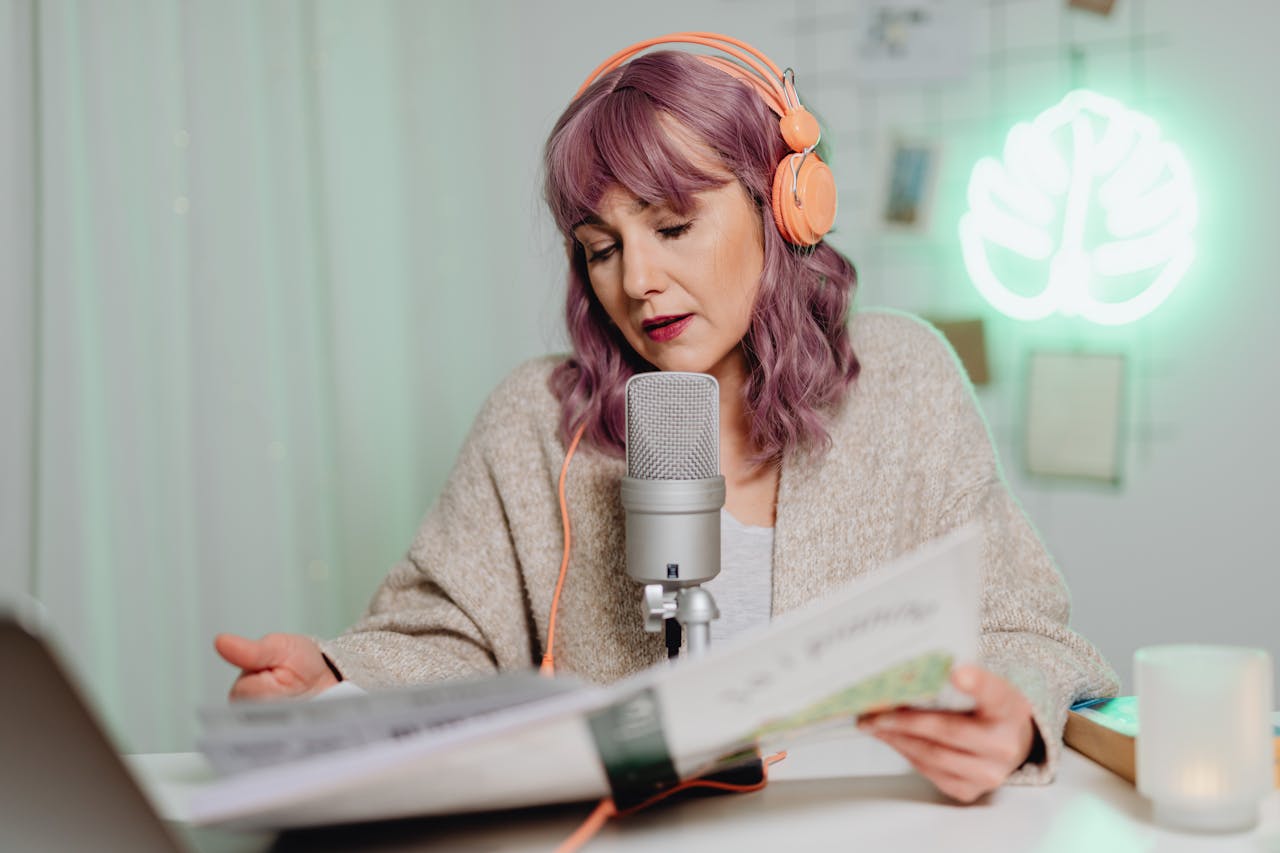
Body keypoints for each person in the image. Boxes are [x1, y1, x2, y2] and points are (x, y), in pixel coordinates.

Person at [215, 33, 1118, 804]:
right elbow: (446, 638)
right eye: (600, 249)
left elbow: (1026, 626)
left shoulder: (904, 380)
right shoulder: (539, 419)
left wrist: (1008, 716)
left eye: (673, 227)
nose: (634, 281)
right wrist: (337, 682)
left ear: (784, 208)